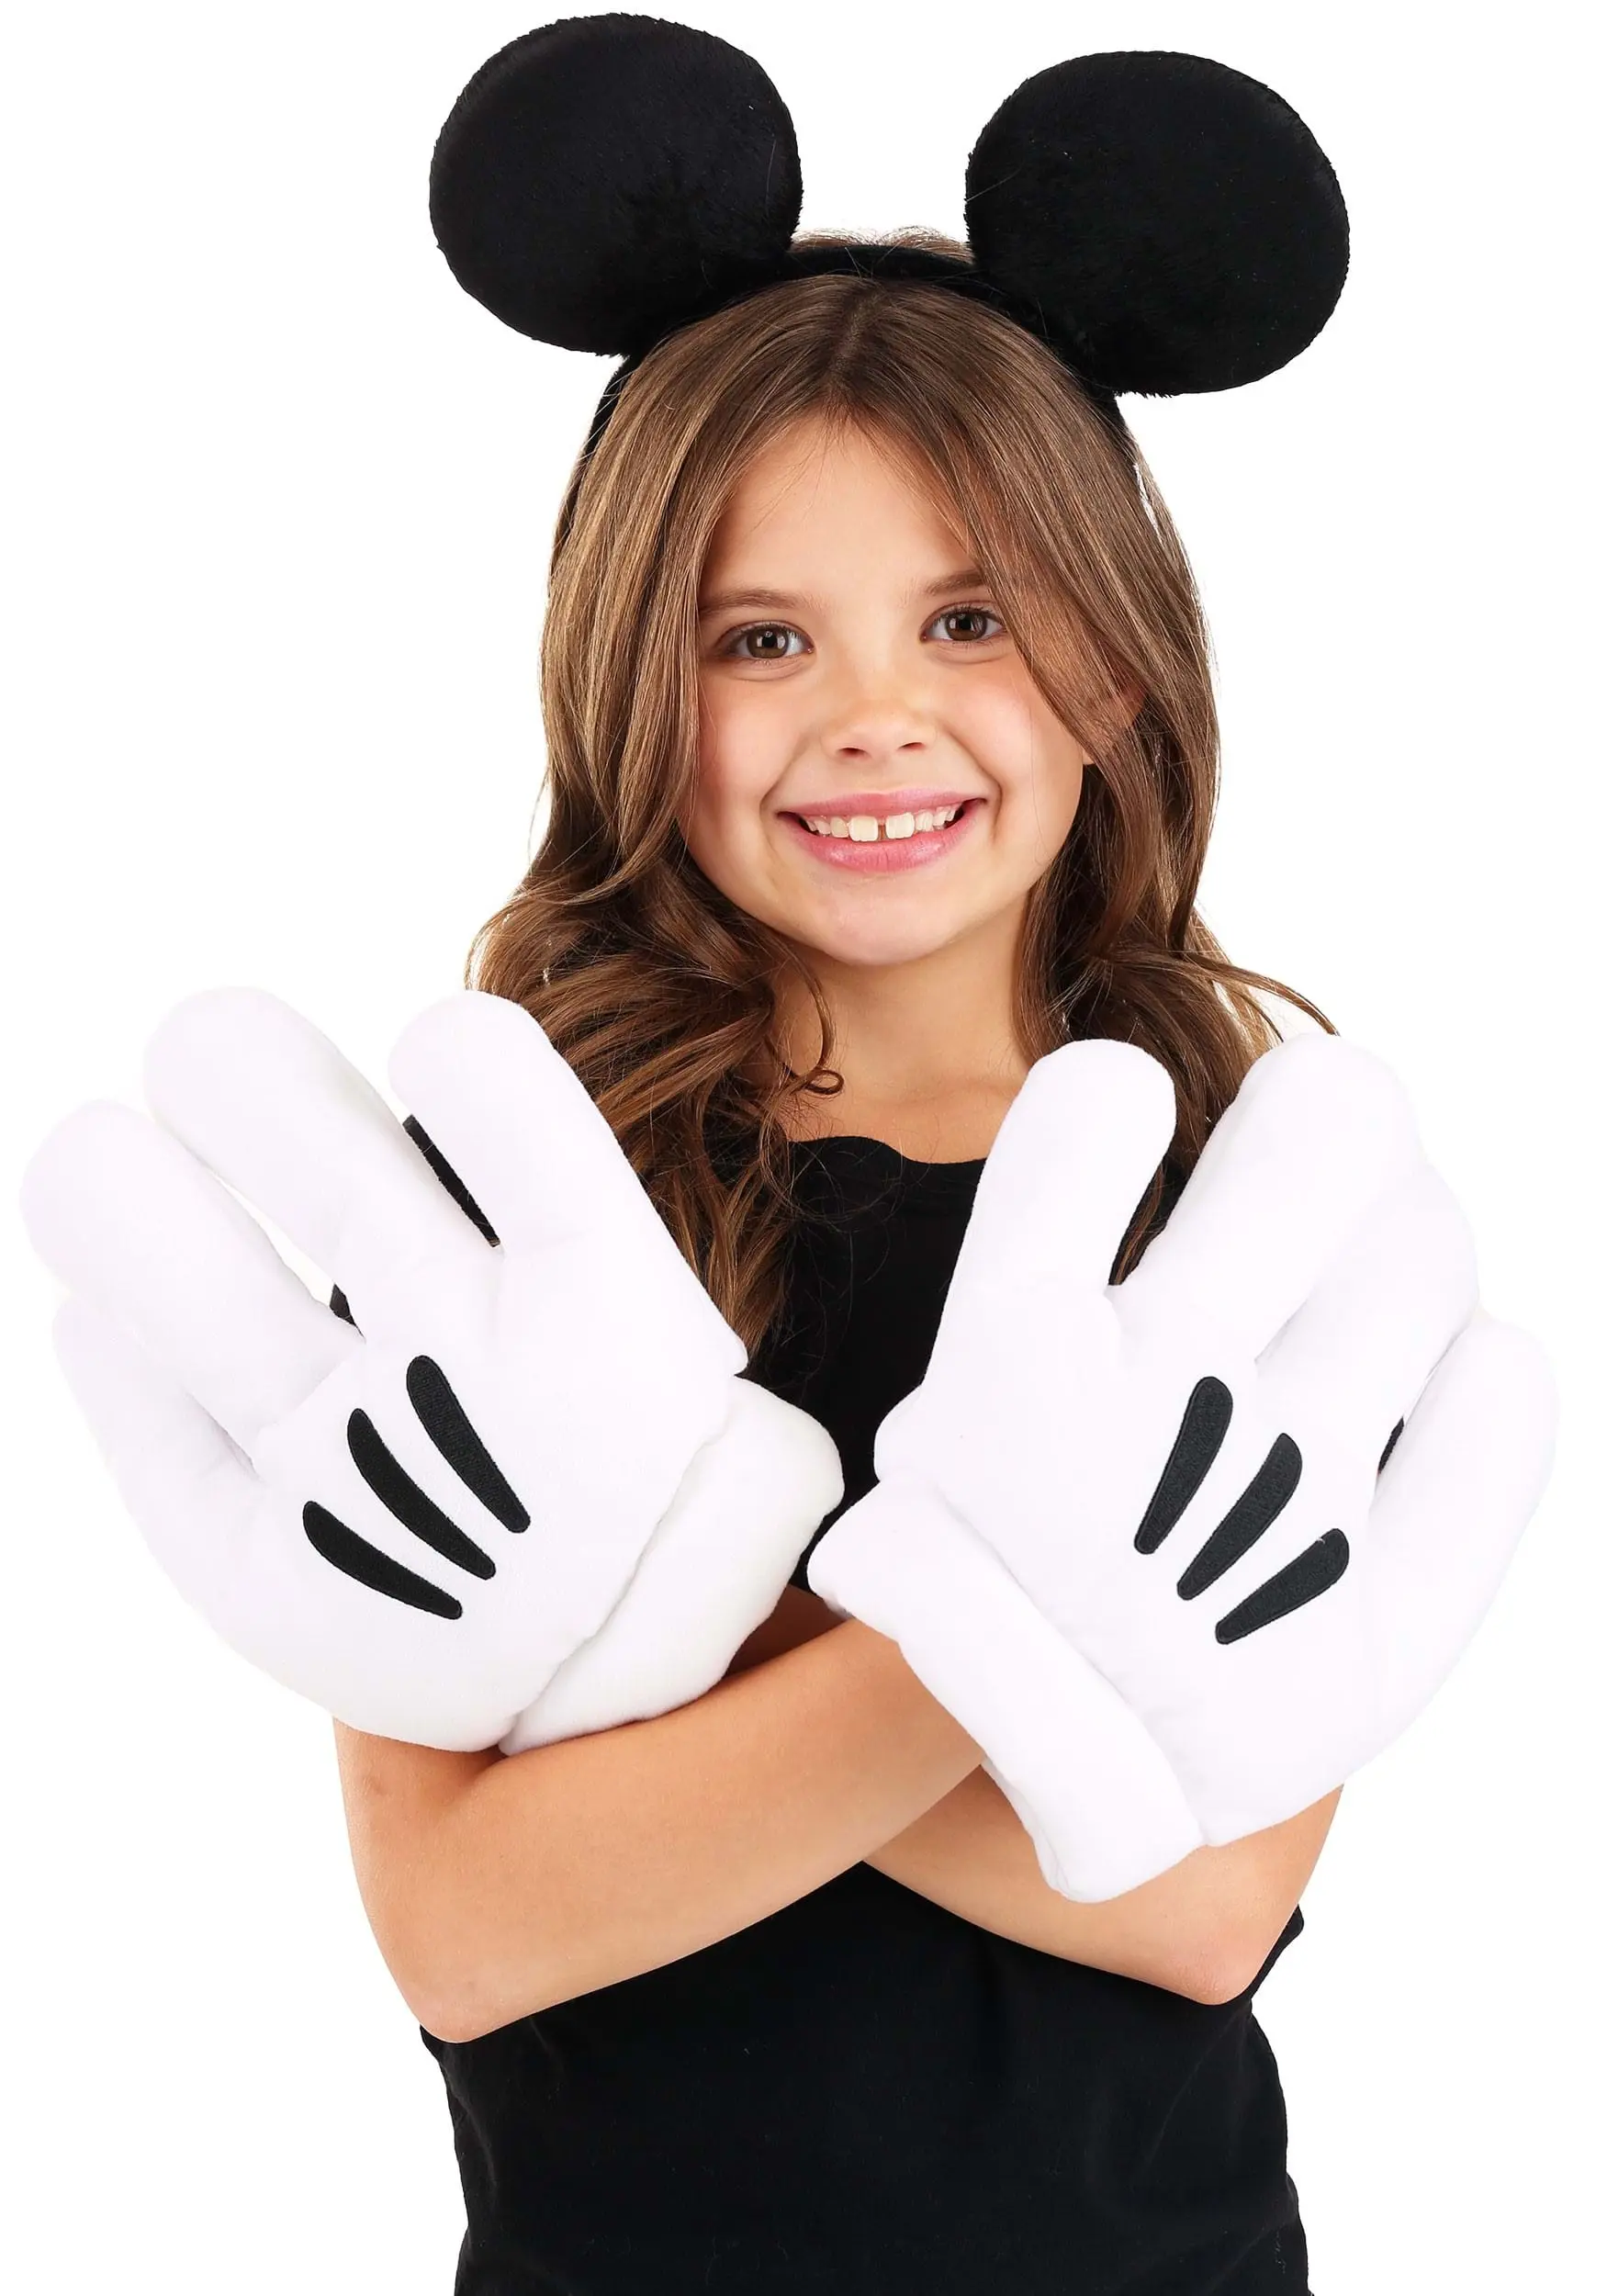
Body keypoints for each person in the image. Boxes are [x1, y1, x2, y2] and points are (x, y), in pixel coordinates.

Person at [16, 25, 1555, 2292]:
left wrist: (642, 1646)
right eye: (761, 637)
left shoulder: (1232, 1213)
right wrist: (1026, 1631)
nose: (872, 716)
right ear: (635, 688)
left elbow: (1198, 1904)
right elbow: (465, 1923)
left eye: (968, 616)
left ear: (1117, 670)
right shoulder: (511, 1203)